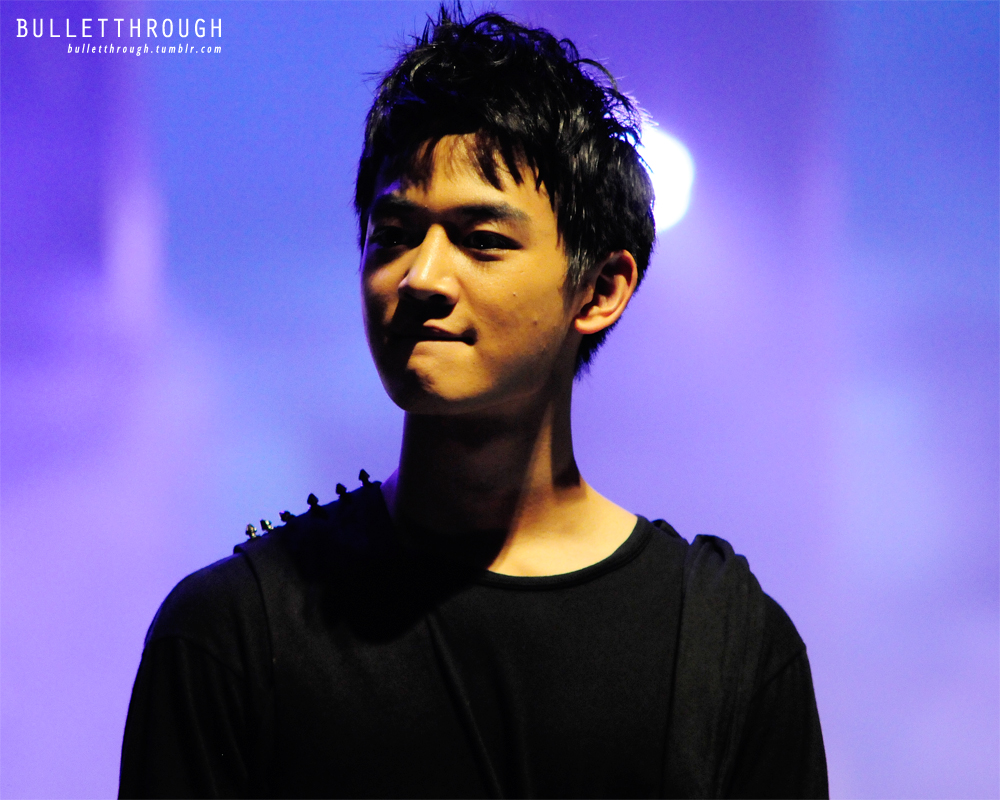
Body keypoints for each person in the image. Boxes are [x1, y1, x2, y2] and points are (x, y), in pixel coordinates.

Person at [119, 7, 827, 798]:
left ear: (601, 288)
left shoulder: (727, 649)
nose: (420, 278)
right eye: (393, 234)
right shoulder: (231, 635)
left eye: (481, 240)